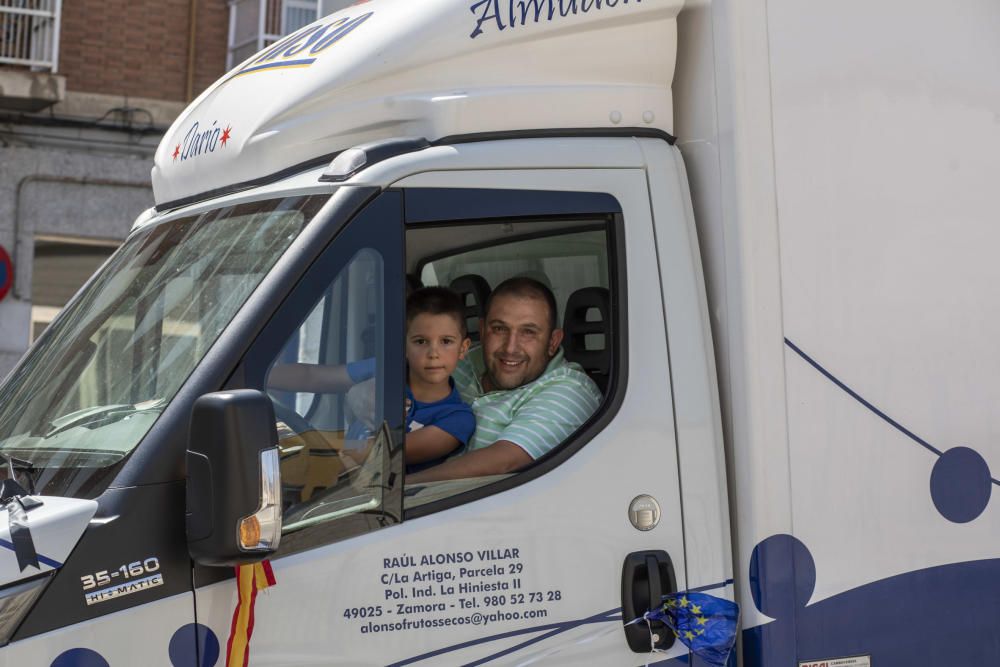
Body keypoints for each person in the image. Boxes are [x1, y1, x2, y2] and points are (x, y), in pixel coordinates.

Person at [408, 277, 602, 483]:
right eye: (499, 329)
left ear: (553, 341)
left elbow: (505, 462)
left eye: (528, 332)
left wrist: (400, 489)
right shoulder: (457, 358)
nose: (510, 348)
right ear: (482, 331)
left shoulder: (570, 392)